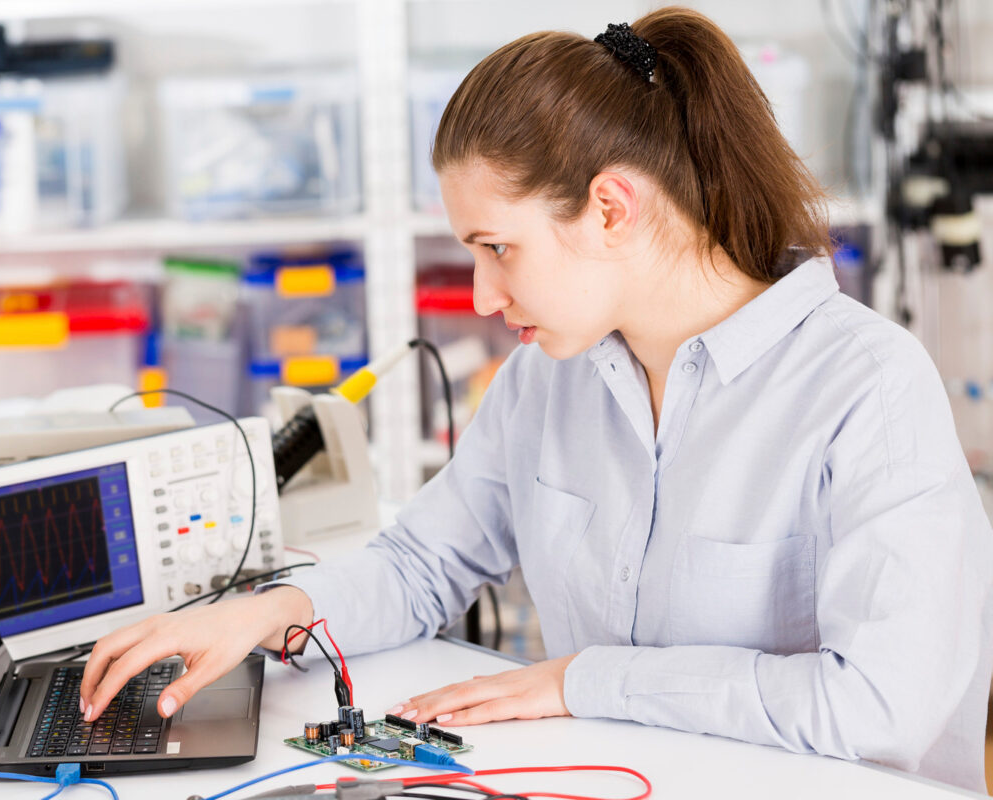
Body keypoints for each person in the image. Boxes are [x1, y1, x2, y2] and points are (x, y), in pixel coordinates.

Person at [80, 7, 993, 791]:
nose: (479, 296)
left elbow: (878, 710)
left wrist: (586, 681)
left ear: (610, 209)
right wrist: (257, 615)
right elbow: (419, 564)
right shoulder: (548, 377)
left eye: (498, 248)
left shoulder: (865, 388)